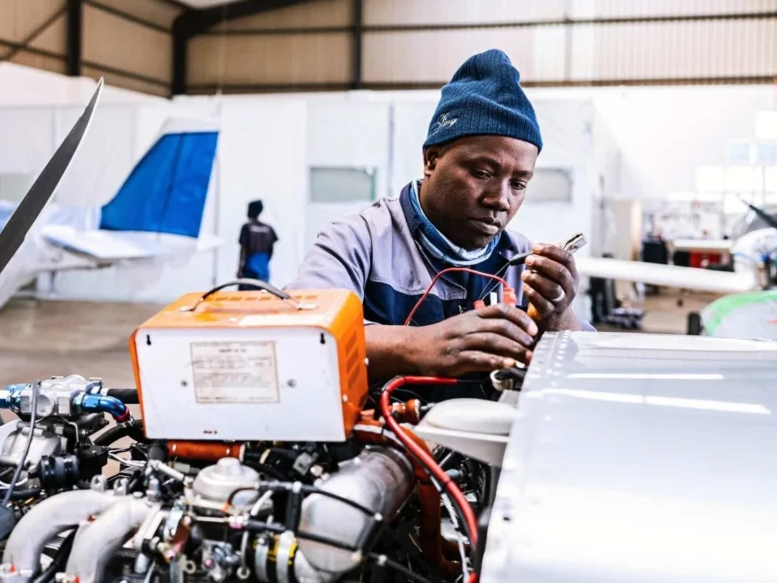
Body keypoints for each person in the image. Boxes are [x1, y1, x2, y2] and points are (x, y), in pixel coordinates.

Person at [287, 49, 593, 390]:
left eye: (518, 184)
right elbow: (300, 341)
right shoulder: (358, 241)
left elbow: (589, 366)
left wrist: (558, 317)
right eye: (482, 173)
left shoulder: (523, 263)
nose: (501, 200)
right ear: (431, 160)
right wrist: (417, 345)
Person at [237, 200, 278, 288]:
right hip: (263, 265)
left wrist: (239, 269)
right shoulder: (268, 228)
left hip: (250, 264)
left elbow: (243, 248)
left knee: (247, 292)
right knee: (262, 291)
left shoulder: (247, 227)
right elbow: (271, 250)